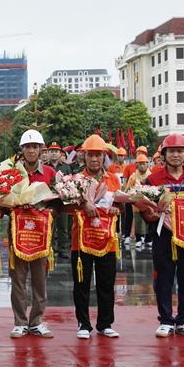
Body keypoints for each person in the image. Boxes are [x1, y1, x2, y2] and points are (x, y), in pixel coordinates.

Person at [145, 133, 184, 339]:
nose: (175, 155)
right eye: (171, 151)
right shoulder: (153, 179)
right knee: (163, 277)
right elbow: (144, 208)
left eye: (180, 151)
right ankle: (165, 320)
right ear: (164, 154)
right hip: (163, 236)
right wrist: (153, 212)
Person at [70, 134, 123, 339]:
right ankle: (83, 323)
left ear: (104, 157)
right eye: (90, 155)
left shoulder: (113, 179)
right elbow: (67, 205)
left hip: (106, 239)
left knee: (106, 282)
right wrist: (83, 204)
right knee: (81, 283)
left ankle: (105, 323)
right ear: (84, 157)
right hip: (81, 239)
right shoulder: (76, 180)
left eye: (98, 155)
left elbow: (119, 204)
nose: (94, 159)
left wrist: (116, 209)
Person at [7, 130, 56, 339]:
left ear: (41, 150)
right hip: (18, 232)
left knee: (39, 278)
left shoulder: (50, 174)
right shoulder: (12, 173)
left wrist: (47, 206)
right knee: (18, 278)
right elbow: (2, 197)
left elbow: (58, 201)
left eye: (35, 146)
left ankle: (36, 321)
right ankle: (20, 321)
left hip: (41, 233)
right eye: (27, 147)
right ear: (22, 150)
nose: (31, 150)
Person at [47, 142, 73, 259]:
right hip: (49, 201)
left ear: (60, 153)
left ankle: (63, 249)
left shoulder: (66, 167)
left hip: (63, 201)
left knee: (63, 226)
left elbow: (70, 183)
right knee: (49, 225)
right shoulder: (44, 166)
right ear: (48, 152)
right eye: (51, 151)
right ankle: (50, 248)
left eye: (56, 151)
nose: (54, 153)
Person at [123, 153, 152, 249]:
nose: (142, 166)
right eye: (140, 164)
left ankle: (148, 239)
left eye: (144, 163)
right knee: (138, 220)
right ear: (137, 165)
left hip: (148, 203)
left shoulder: (151, 175)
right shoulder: (133, 176)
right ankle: (138, 239)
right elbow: (127, 189)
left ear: (147, 164)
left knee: (149, 220)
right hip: (136, 204)